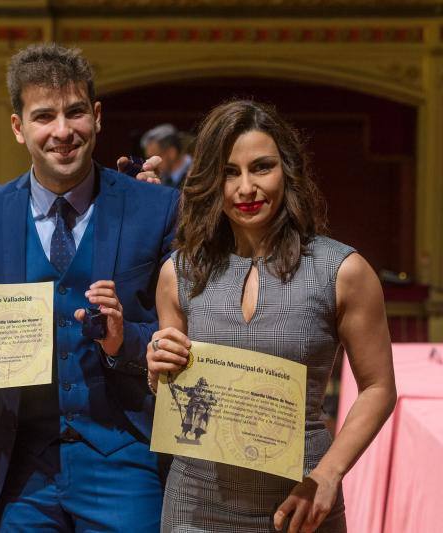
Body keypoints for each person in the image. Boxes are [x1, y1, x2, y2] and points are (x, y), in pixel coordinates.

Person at [0, 43, 179, 532]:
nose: (62, 131)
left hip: (127, 457)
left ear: (96, 117)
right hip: (22, 467)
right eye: (43, 116)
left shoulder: (156, 209)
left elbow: (186, 329)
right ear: (18, 127)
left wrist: (124, 341)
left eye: (75, 112)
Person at [146, 100, 396, 532]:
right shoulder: (178, 273)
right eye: (229, 172)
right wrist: (156, 369)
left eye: (261, 167)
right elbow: (172, 392)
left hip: (301, 502)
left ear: (288, 171)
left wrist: (328, 474)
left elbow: (378, 386)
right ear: (210, 180)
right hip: (193, 504)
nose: (246, 187)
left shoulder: (342, 271)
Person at [140, 123, 193, 189]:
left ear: (171, 153)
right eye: (148, 158)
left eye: (154, 157)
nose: (149, 163)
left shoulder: (199, 172)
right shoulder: (161, 178)